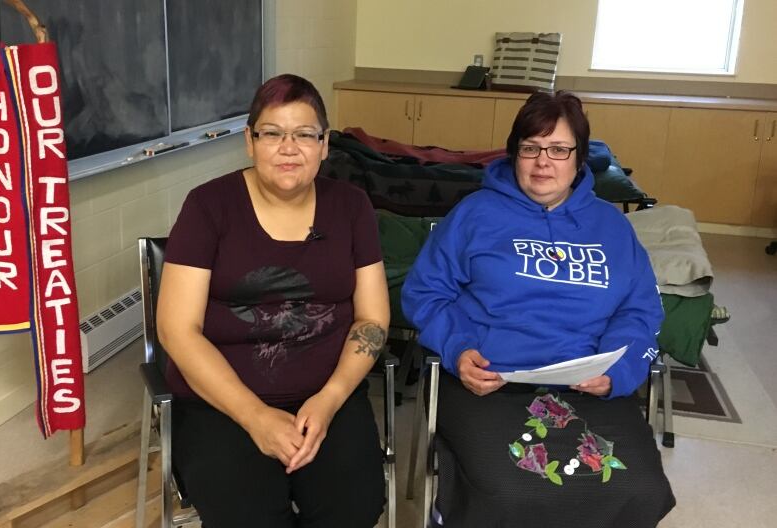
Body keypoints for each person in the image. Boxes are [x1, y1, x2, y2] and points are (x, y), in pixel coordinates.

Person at [402, 91, 675, 528]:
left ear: (580, 157)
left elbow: (640, 311)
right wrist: (458, 348)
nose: (542, 161)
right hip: (490, 379)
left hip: (588, 386)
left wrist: (617, 374)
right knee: (507, 490)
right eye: (530, 148)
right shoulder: (475, 214)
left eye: (558, 149)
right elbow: (424, 292)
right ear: (515, 154)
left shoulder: (611, 227)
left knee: (640, 488)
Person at [156, 74, 389, 528]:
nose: (289, 148)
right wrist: (255, 416)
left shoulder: (352, 207)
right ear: (249, 140)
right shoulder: (208, 207)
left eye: (305, 134)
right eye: (272, 133)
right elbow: (177, 330)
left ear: (324, 145)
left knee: (353, 508)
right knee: (248, 515)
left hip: (328, 399)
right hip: (222, 403)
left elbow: (373, 317)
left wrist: (330, 398)